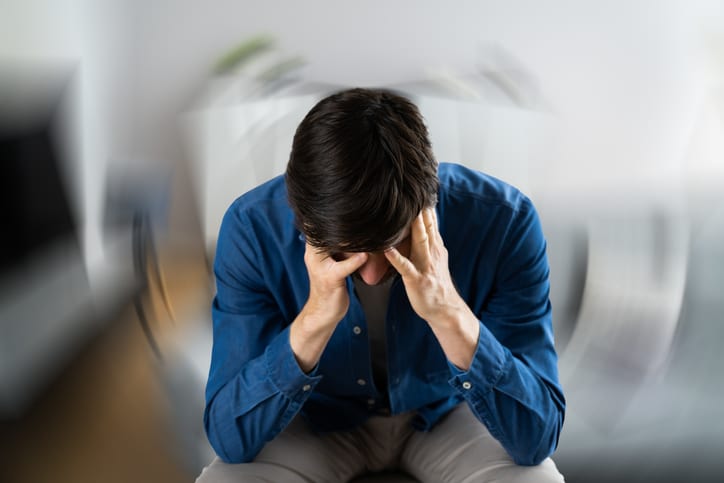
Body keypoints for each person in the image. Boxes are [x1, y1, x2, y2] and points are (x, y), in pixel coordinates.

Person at [197, 88, 565, 482]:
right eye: (346, 254)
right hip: (315, 417)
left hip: (448, 411)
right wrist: (315, 319)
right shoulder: (252, 228)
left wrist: (447, 311)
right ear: (302, 219)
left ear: (428, 204)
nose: (371, 275)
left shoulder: (506, 221)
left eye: (394, 246)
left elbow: (536, 438)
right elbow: (230, 441)